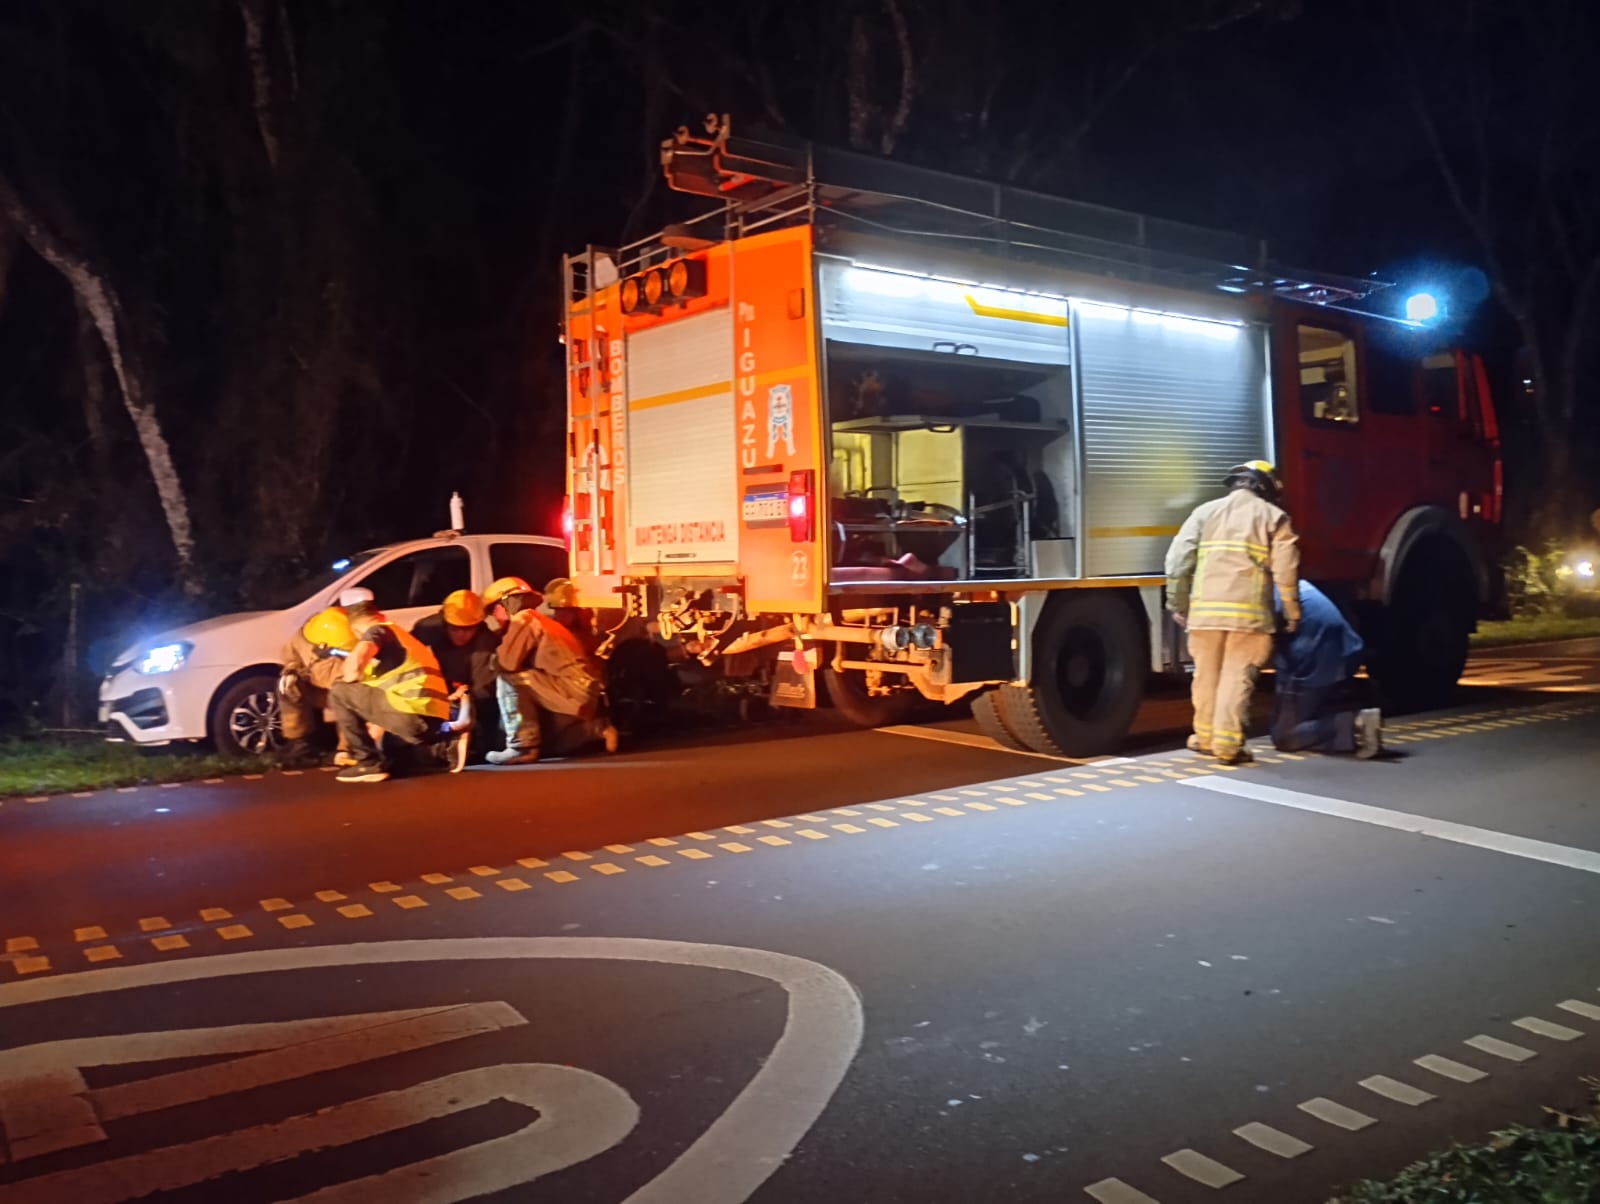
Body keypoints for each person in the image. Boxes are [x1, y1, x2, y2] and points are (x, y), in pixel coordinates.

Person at [1165, 460, 1302, 765]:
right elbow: (1286, 570)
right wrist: (1292, 611)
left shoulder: (1204, 512)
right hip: (1248, 617)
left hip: (1204, 613)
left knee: (1205, 675)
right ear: (1266, 487)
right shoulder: (1274, 517)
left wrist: (1178, 603)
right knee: (1236, 676)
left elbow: (1177, 560)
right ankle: (1227, 746)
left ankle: (1204, 737)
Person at [329, 599, 470, 783]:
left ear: (355, 630)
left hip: (411, 712)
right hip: (432, 718)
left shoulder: (378, 630)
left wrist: (352, 663)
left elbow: (353, 671)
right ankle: (444, 746)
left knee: (339, 690)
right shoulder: (403, 638)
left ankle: (367, 762)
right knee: (392, 753)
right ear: (381, 615)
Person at [482, 575, 618, 765]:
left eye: (493, 610)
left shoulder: (524, 619)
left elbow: (506, 663)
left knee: (509, 679)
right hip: (578, 691)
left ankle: (521, 747)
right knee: (555, 744)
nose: (495, 618)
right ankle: (598, 730)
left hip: (569, 690)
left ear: (505, 604)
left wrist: (493, 658)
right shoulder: (541, 620)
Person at [1272, 581, 1383, 758]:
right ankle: (1342, 720)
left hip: (1318, 660)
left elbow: (1264, 651)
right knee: (1292, 714)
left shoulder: (1266, 600)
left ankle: (1356, 725)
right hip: (1347, 650)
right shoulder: (1293, 583)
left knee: (1284, 736)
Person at [411, 588, 502, 759]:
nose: (461, 635)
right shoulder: (427, 629)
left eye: (468, 630)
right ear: (445, 623)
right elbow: (406, 659)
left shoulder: (486, 641)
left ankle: (475, 745)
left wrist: (463, 697)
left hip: (469, 697)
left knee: (485, 709)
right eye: (455, 629)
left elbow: (483, 688)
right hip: (436, 691)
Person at [277, 606, 358, 768]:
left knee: (347, 695)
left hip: (343, 694)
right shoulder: (305, 637)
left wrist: (345, 748)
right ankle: (300, 743)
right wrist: (292, 671)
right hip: (320, 688)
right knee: (289, 687)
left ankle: (347, 749)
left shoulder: (349, 654)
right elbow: (292, 656)